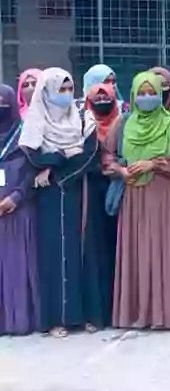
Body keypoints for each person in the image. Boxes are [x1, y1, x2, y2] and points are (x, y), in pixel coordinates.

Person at [20, 68, 104, 337]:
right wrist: (64, 154)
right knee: (54, 254)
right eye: (60, 89)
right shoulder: (35, 122)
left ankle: (89, 315)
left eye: (70, 89)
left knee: (84, 250)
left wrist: (57, 169)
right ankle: (56, 320)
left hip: (79, 190)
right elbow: (33, 157)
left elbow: (90, 156)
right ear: (46, 93)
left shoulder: (83, 117)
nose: (66, 95)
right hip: (49, 197)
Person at [108, 71, 170, 330]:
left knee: (163, 251)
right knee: (137, 251)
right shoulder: (124, 123)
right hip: (133, 196)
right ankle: (135, 313)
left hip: (164, 195)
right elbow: (106, 156)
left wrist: (153, 163)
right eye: (141, 93)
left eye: (152, 93)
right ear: (132, 95)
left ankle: (164, 314)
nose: (147, 97)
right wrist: (120, 171)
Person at [0, 84, 39, 336]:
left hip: (19, 211)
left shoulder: (26, 137)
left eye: (3, 103)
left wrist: (17, 196)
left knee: (17, 267)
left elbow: (35, 171)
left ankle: (21, 320)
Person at [82, 82, 121, 324]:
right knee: (98, 252)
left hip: (122, 191)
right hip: (92, 195)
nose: (102, 102)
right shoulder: (83, 126)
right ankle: (100, 312)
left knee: (120, 249)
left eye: (106, 97)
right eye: (96, 98)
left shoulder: (123, 123)